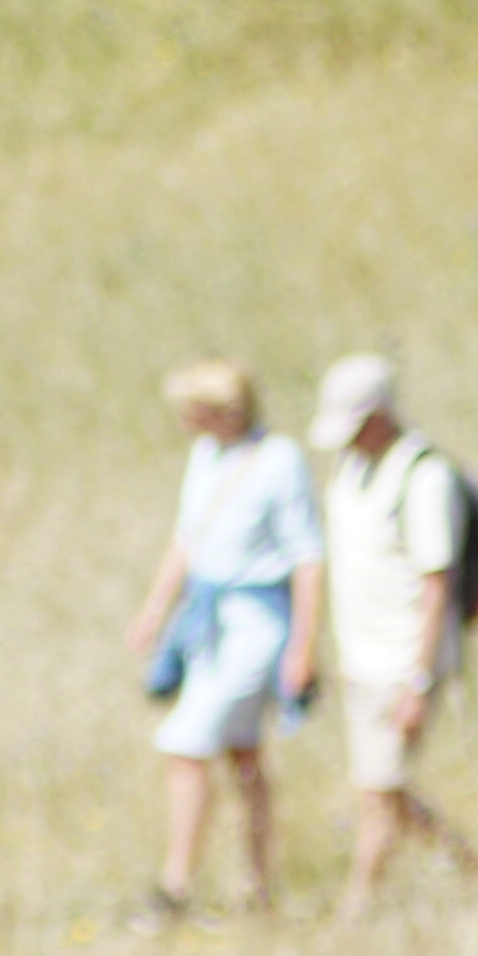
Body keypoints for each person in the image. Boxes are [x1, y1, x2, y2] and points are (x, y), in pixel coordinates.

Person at [126, 359, 323, 914]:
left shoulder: (279, 461)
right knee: (244, 754)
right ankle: (258, 885)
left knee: (186, 746)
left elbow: (307, 558)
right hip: (210, 622)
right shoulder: (206, 457)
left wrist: (303, 646)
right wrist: (155, 611)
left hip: (256, 623)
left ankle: (175, 885)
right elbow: (188, 539)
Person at [310, 352, 478, 903]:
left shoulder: (425, 478)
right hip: (361, 657)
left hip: (404, 660)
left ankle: (357, 909)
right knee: (381, 792)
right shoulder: (352, 473)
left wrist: (419, 680)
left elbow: (436, 582)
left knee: (380, 794)